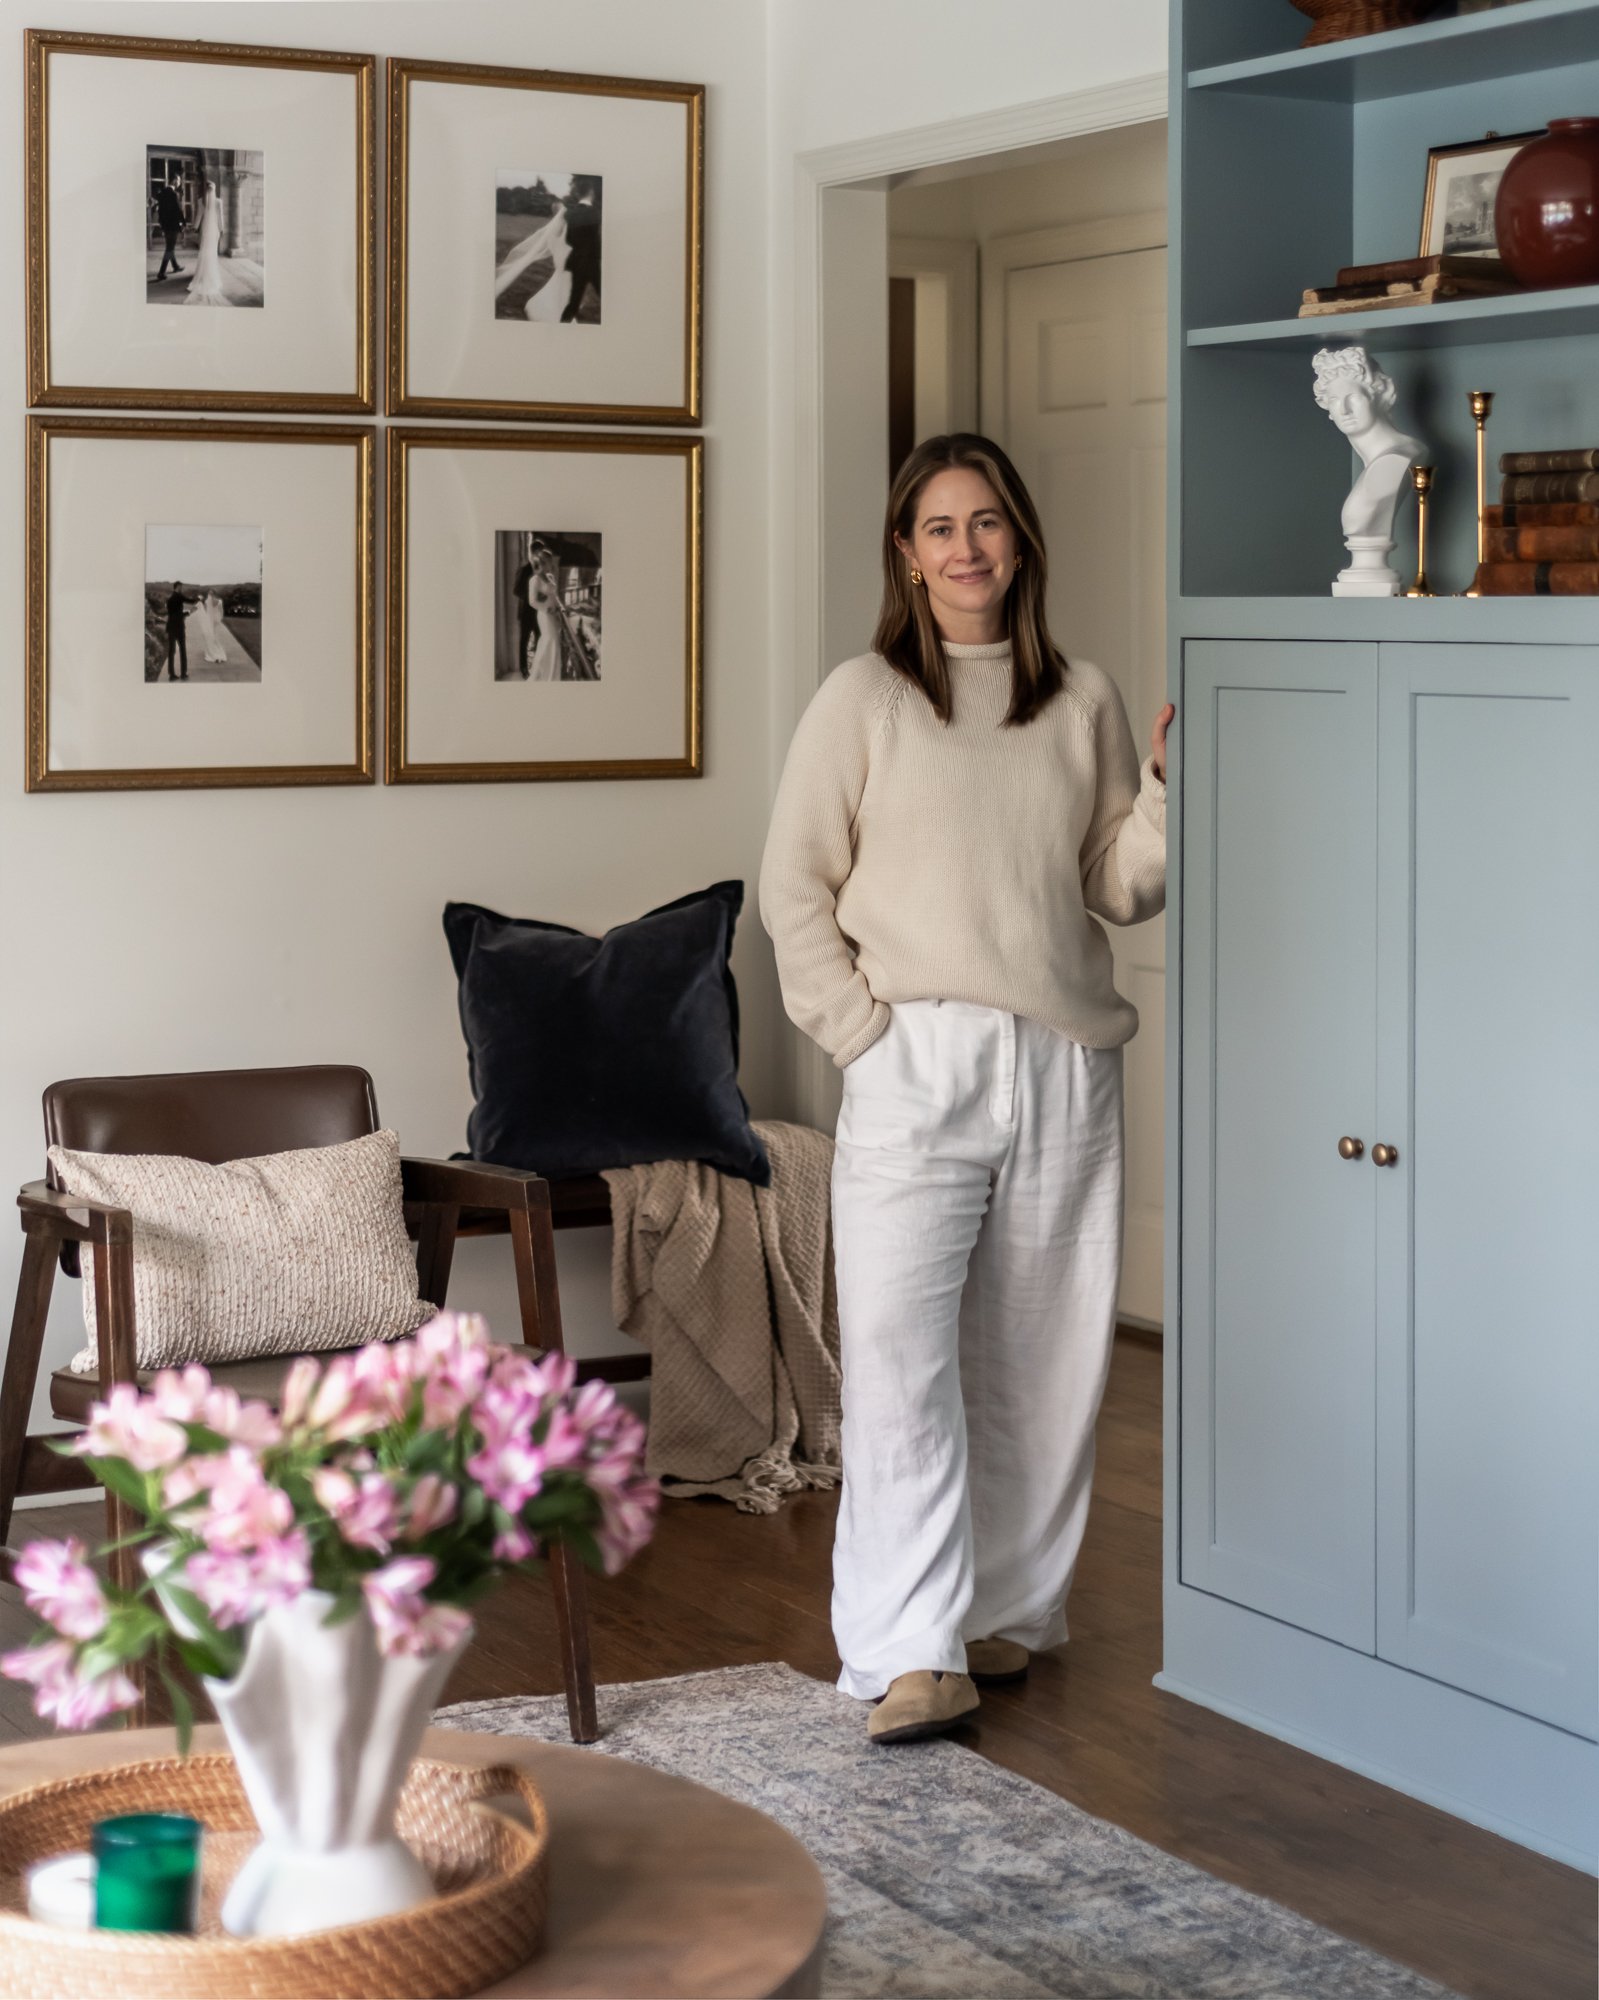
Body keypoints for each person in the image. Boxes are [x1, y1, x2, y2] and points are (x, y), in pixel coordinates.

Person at [759, 433, 1174, 1747]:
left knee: (1041, 1357)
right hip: (913, 1060)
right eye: (938, 528)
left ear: (1021, 540)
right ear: (904, 552)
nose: (966, 549)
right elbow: (792, 888)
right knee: (895, 1362)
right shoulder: (862, 699)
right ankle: (903, 1647)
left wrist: (1165, 787)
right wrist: (860, 1036)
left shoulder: (1080, 700)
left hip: (1060, 1061)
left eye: (987, 523)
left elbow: (1117, 880)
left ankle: (1003, 1613)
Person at [559, 177, 602, 322]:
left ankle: (562, 324)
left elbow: (568, 240)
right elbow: (595, 241)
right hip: (591, 263)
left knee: (574, 301)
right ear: (591, 192)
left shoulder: (571, 214)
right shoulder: (595, 213)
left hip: (577, 262)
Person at [185, 180, 229, 307]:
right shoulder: (218, 202)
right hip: (214, 230)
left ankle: (202, 276)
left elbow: (198, 216)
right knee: (212, 252)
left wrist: (194, 227)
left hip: (205, 230)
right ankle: (211, 277)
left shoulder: (201, 201)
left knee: (204, 251)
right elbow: (220, 217)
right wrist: (222, 230)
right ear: (214, 189)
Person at [153, 178, 187, 283]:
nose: (180, 183)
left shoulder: (162, 193)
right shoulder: (173, 194)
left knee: (170, 246)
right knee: (169, 248)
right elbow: (178, 211)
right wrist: (183, 223)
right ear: (175, 181)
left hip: (165, 225)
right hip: (173, 225)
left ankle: (175, 266)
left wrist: (162, 223)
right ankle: (161, 272)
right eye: (179, 181)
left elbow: (160, 211)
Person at [163, 582, 196, 680]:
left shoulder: (169, 599)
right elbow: (191, 601)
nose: (182, 589)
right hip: (179, 628)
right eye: (181, 587)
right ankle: (183, 674)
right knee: (182, 651)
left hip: (171, 627)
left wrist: (184, 613)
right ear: (177, 587)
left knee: (171, 651)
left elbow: (173, 614)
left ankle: (171, 675)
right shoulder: (179, 596)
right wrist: (197, 600)